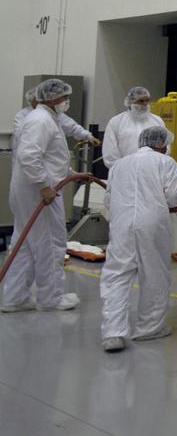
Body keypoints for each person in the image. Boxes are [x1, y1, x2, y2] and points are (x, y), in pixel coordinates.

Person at [99, 126, 177, 351]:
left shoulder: (119, 165)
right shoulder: (166, 162)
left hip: (121, 224)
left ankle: (113, 333)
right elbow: (174, 197)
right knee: (154, 274)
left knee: (116, 275)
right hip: (152, 224)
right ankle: (149, 328)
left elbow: (108, 199)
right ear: (161, 144)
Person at [2, 78, 80, 312]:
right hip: (39, 193)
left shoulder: (45, 118)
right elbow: (29, 156)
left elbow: (49, 157)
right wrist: (43, 186)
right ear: (52, 98)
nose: (67, 101)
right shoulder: (41, 120)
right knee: (51, 244)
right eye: (65, 97)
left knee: (24, 245)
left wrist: (69, 173)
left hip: (29, 191)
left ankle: (15, 298)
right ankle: (51, 298)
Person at [14, 87, 102, 152]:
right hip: (34, 157)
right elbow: (21, 138)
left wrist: (88, 136)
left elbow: (72, 127)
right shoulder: (23, 116)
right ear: (32, 101)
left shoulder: (55, 114)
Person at [102, 87, 164, 169]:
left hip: (152, 170)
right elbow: (110, 152)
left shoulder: (157, 121)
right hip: (124, 170)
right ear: (130, 102)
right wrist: (121, 169)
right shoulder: (116, 122)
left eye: (147, 100)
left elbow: (165, 148)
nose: (145, 104)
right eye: (141, 101)